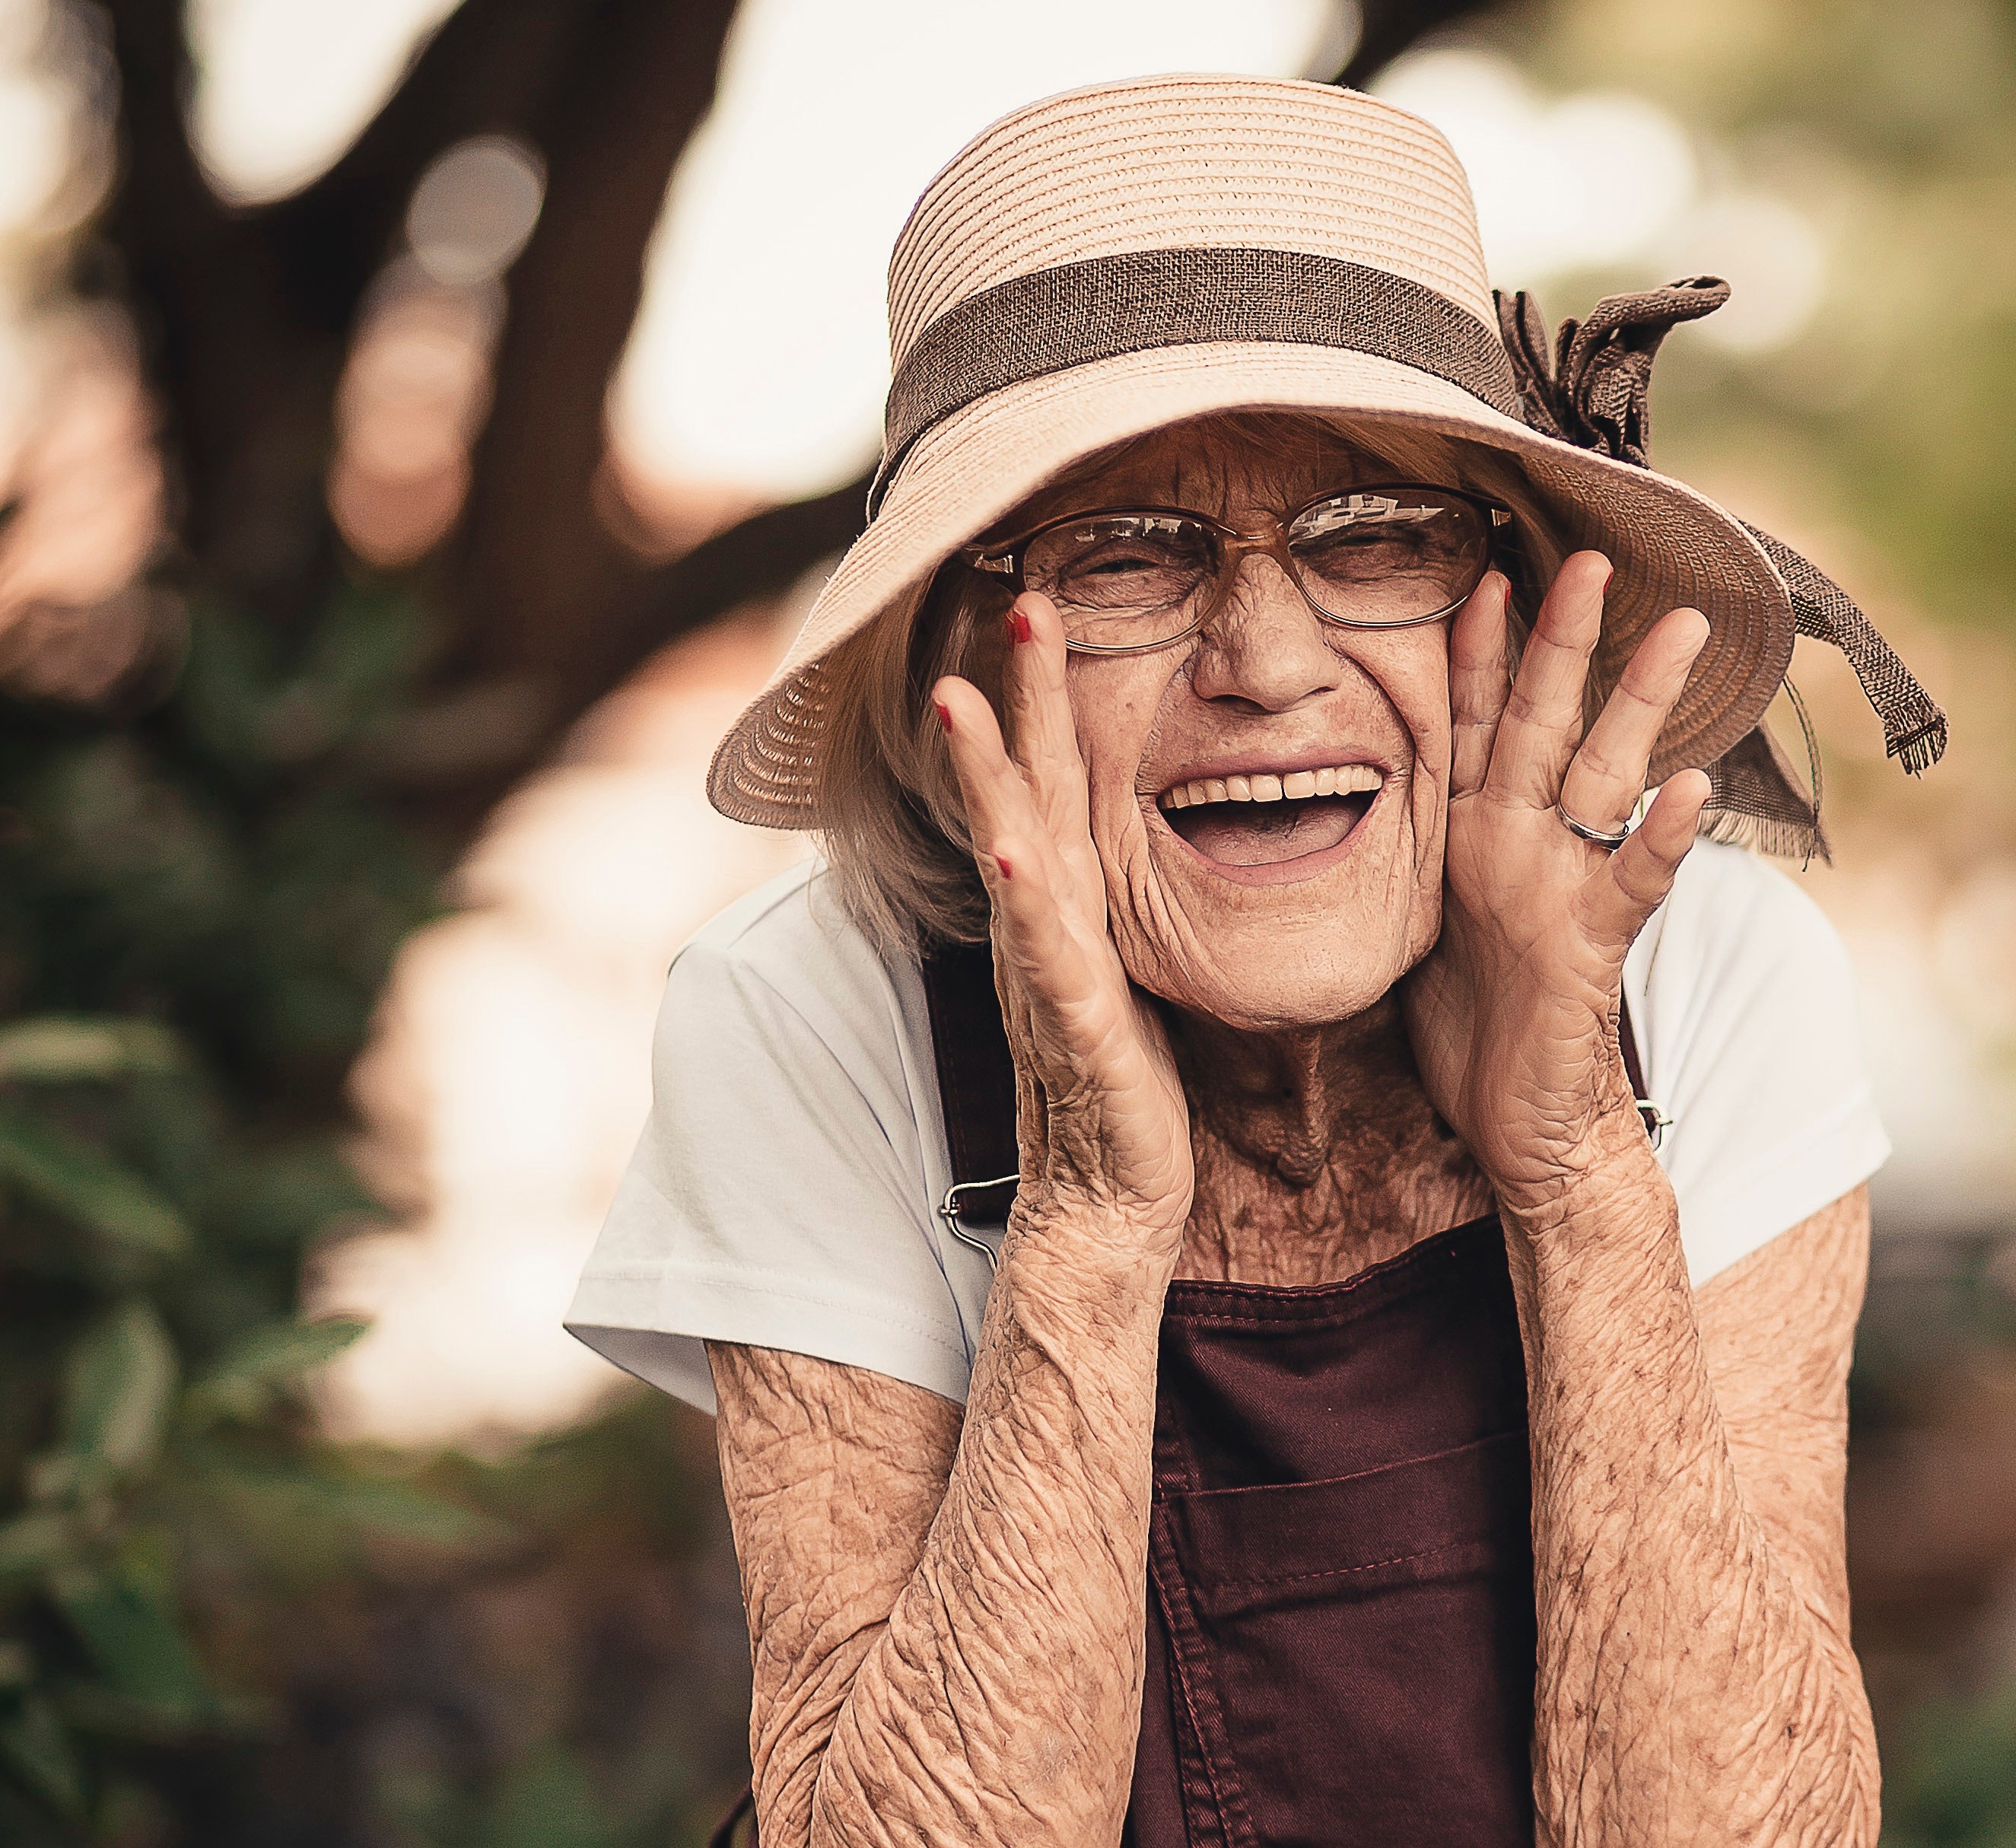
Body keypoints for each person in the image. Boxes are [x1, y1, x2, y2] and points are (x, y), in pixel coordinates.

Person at [567, 72, 1943, 1848]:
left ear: (1509, 605)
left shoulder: (1706, 972)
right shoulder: (817, 1013)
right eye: (1123, 555)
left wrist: (1578, 1159)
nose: (1267, 660)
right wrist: (1086, 1209)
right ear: (961, 660)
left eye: (1375, 536)